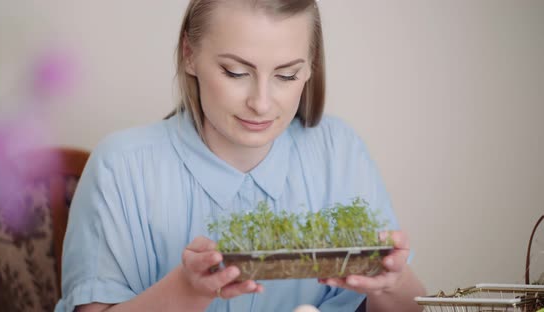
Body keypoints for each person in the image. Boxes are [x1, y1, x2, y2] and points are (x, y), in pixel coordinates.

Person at [55, 0, 426, 311]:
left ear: (310, 66)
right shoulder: (120, 167)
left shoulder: (339, 151)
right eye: (235, 72)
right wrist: (188, 289)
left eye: (286, 75)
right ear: (189, 54)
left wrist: (391, 280)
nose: (261, 103)